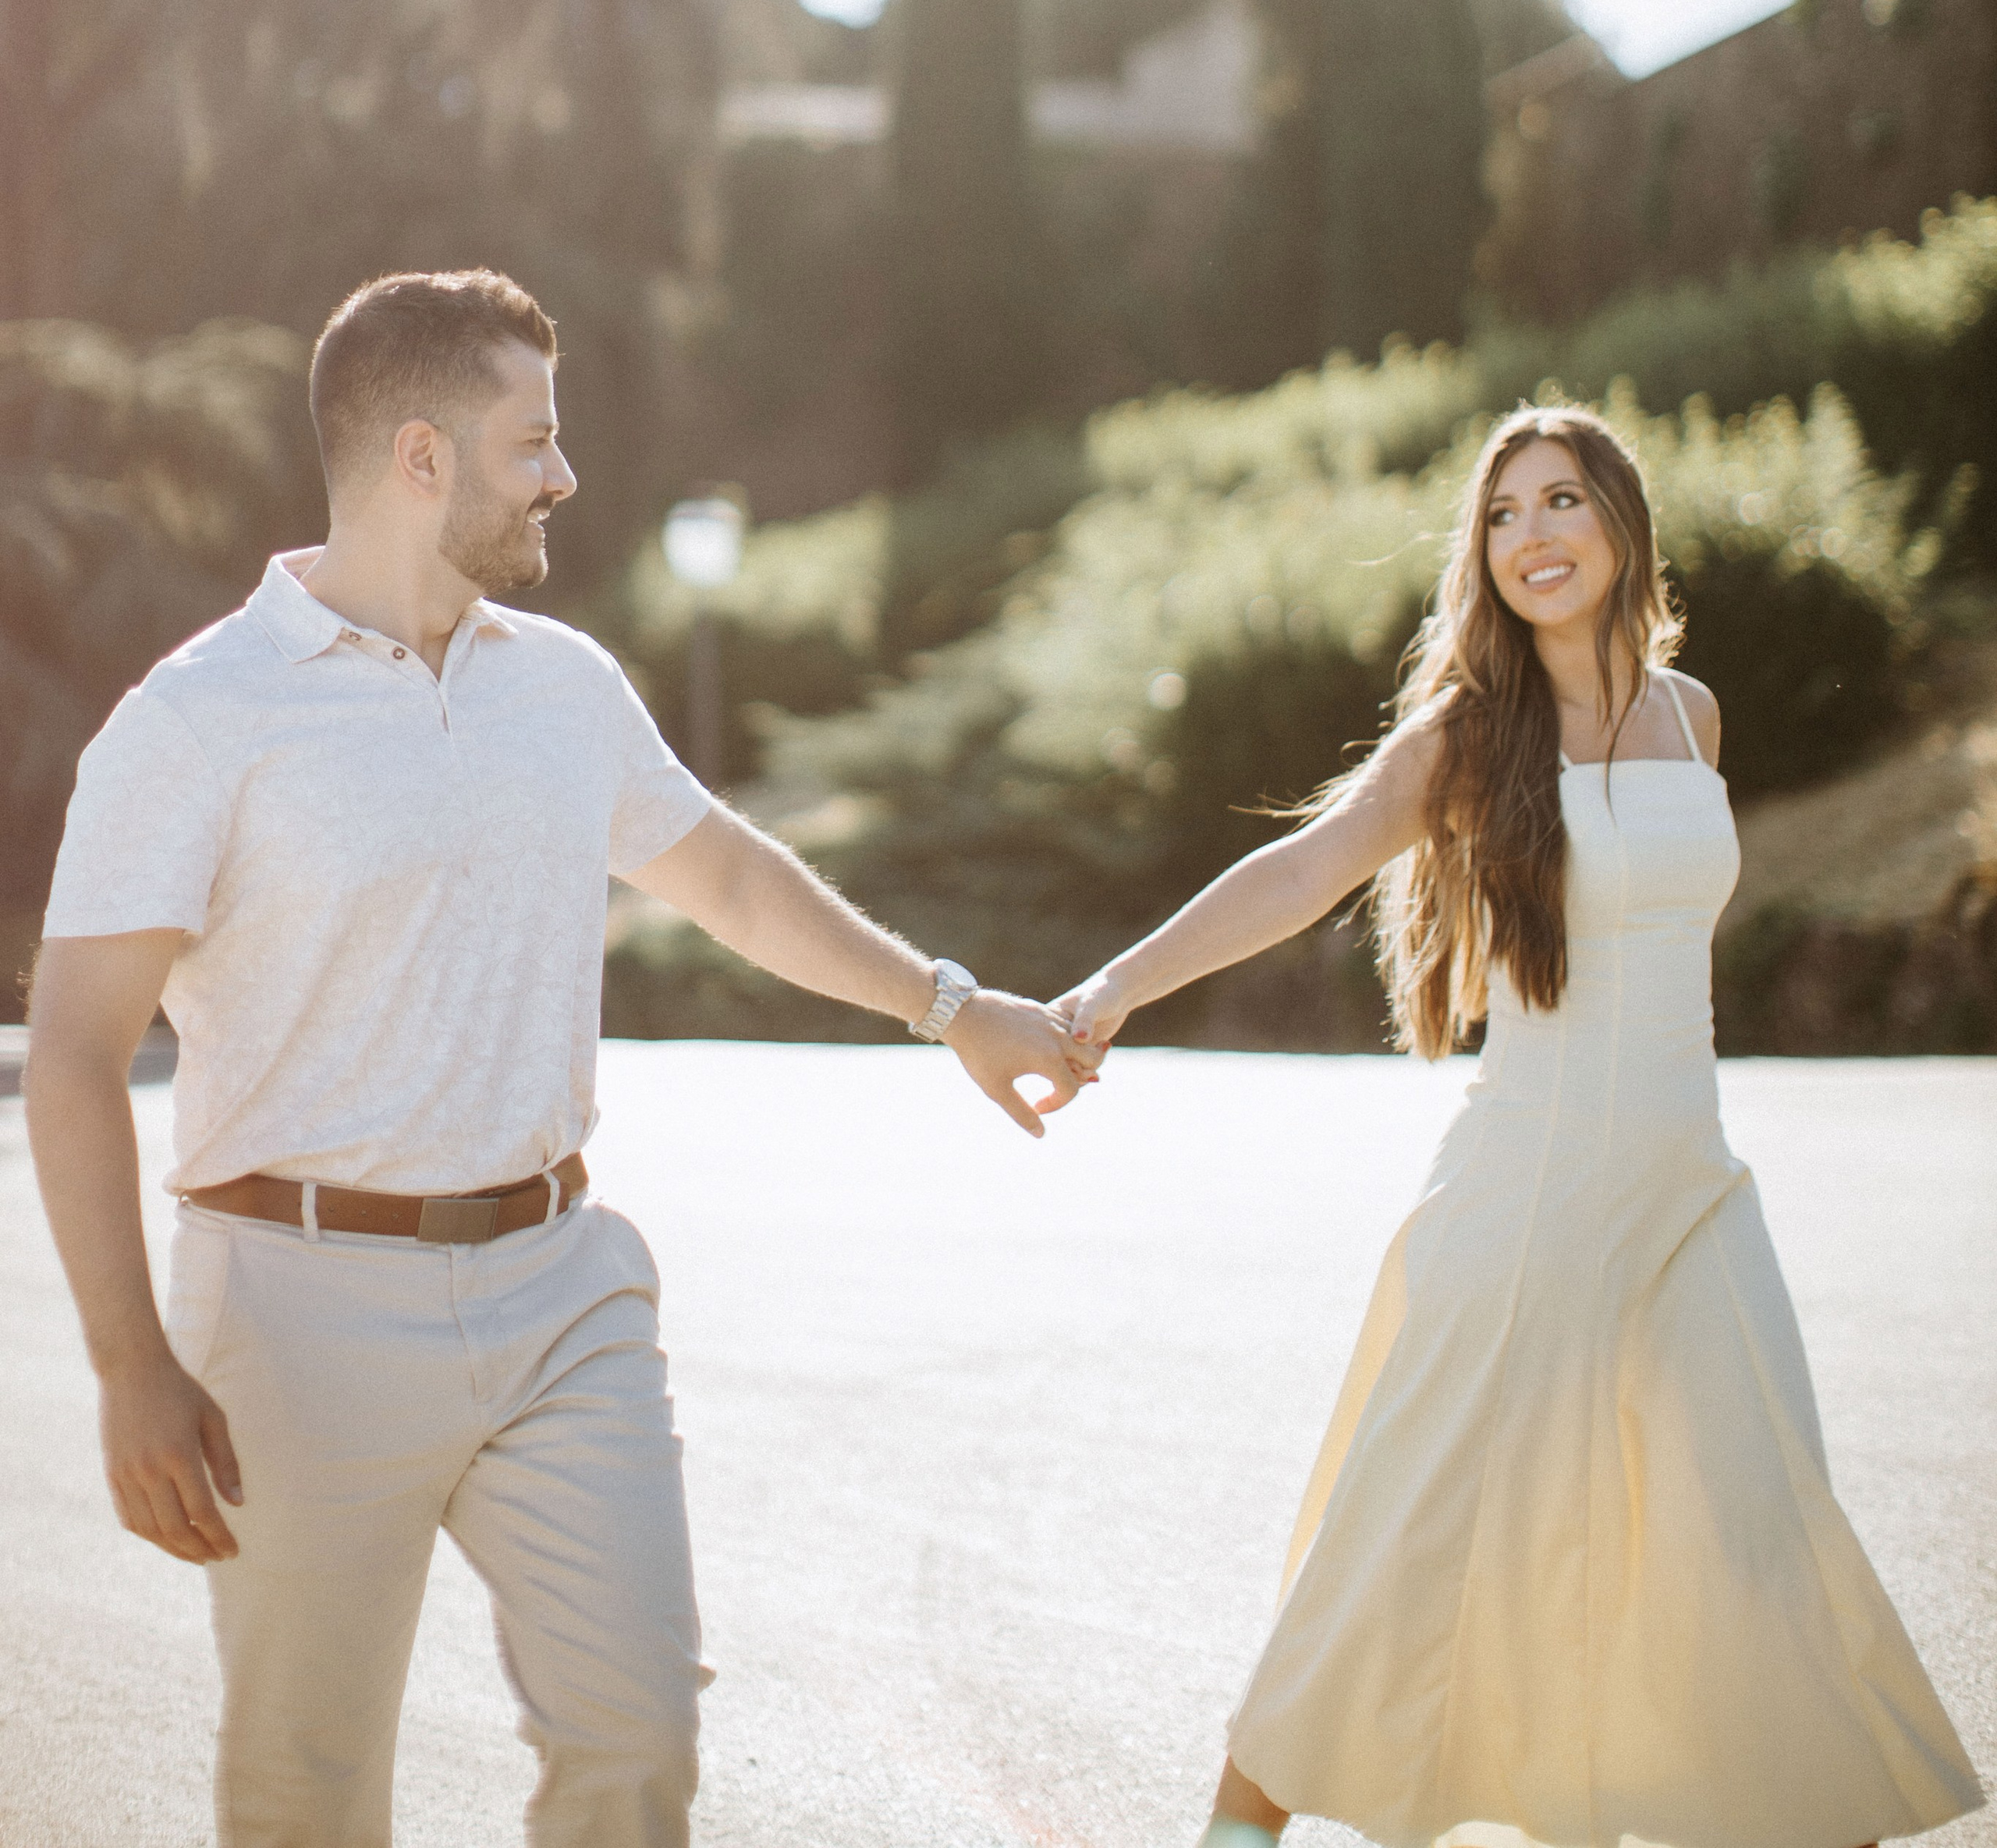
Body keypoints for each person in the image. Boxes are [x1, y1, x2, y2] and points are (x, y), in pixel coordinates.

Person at [28, 267, 1087, 1848]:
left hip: (560, 1288)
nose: (565, 475)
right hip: (298, 1308)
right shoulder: (196, 721)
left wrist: (948, 1004)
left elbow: (722, 873)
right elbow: (74, 1055)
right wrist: (130, 1367)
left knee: (636, 1731)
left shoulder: (562, 685)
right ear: (421, 457)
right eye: (534, 440)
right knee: (302, 1794)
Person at [1056, 403, 1983, 1848]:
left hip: (1692, 1193)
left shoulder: (1694, 714)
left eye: (1560, 503)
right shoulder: (1467, 741)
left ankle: (1816, 1818)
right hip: (1530, 1190)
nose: (1533, 537)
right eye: (1502, 516)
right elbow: (1306, 868)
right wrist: (1113, 989)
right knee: (1415, 1529)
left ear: (1622, 519)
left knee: (1757, 1527)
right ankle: (1242, 1824)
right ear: (1480, 556)